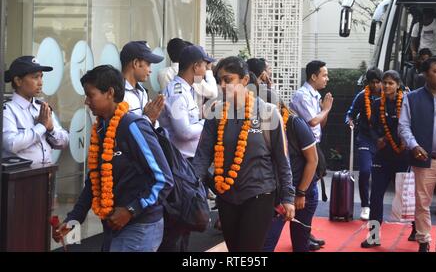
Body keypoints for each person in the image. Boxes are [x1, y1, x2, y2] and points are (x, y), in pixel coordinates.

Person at [52, 65, 174, 252]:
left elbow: (163, 179)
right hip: (114, 226)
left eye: (90, 95)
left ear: (109, 93)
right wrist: (73, 220)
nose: (86, 101)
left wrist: (131, 210)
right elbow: (94, 181)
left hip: (140, 227)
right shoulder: (102, 128)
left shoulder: (133, 126)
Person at [193, 56, 295, 252]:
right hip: (226, 197)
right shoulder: (215, 115)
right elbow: (202, 156)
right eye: (218, 80)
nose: (222, 85)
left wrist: (288, 197)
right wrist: (191, 187)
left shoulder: (268, 113)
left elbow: (283, 160)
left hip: (259, 194)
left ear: (245, 81)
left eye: (228, 80)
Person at [157, 45, 214, 251]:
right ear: (195, 66)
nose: (207, 70)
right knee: (177, 225)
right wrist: (206, 125)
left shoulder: (187, 89)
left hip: (186, 163)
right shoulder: (178, 92)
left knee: (184, 226)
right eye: (205, 65)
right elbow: (183, 131)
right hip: (179, 164)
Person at [398, 56, 436, 252]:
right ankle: (423, 240)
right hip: (424, 159)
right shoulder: (411, 98)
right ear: (426, 74)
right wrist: (414, 146)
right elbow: (403, 127)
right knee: (422, 203)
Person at [361, 70, 410, 248]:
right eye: (385, 83)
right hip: (382, 156)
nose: (387, 86)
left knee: (408, 196)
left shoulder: (407, 101)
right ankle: (373, 236)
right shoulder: (376, 104)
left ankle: (416, 230)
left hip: (403, 156)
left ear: (398, 85)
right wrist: (377, 138)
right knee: (375, 196)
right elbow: (371, 127)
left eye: (391, 83)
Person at [263, 99, 319, 252]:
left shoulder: (295, 123)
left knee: (300, 244)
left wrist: (300, 193)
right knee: (266, 244)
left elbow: (313, 160)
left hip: (303, 191)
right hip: (277, 195)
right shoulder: (260, 127)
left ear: (278, 107)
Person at [289, 60, 332, 247]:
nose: (327, 79)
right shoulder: (302, 95)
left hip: (314, 145)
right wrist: (326, 109)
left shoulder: (315, 95)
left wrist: (325, 110)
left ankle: (305, 235)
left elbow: (321, 124)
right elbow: (313, 121)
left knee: (311, 195)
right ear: (313, 76)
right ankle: (302, 239)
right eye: (324, 75)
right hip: (303, 151)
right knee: (309, 195)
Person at [3, 56, 69, 164]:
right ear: (18, 81)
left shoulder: (41, 107)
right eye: (35, 77)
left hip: (46, 173)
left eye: (41, 77)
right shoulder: (7, 110)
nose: (40, 82)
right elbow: (12, 144)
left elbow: (64, 142)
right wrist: (42, 127)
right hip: (21, 176)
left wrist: (51, 128)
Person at [345, 67, 383, 220]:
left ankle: (377, 208)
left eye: (377, 82)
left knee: (380, 175)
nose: (375, 85)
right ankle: (365, 206)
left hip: (382, 140)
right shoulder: (362, 96)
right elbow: (350, 114)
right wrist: (350, 121)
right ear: (367, 83)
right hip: (365, 137)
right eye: (372, 82)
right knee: (365, 171)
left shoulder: (388, 94)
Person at [157, 38, 218, 108]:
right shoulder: (193, 77)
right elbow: (213, 93)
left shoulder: (162, 73)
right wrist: (209, 70)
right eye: (204, 65)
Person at [120, 41, 165, 126]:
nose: (150, 70)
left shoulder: (142, 92)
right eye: (148, 64)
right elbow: (125, 130)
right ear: (136, 63)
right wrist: (148, 118)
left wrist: (153, 119)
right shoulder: (118, 94)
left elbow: (151, 126)